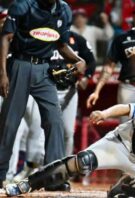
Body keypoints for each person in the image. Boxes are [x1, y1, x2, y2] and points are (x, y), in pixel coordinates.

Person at [4, 92, 135, 197]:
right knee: (82, 162)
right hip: (120, 145)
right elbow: (126, 108)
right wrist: (104, 113)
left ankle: (123, 189)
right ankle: (26, 184)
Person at [0, 0, 86, 189]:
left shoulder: (64, 10)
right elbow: (5, 37)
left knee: (55, 121)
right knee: (9, 123)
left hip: (45, 69)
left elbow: (62, 46)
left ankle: (53, 178)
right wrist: (3, 73)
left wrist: (79, 60)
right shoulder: (22, 5)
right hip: (19, 65)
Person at [8, 31, 96, 182]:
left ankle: (63, 172)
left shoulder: (77, 39)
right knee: (37, 130)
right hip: (46, 88)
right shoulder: (44, 36)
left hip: (69, 90)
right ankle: (31, 167)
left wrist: (86, 77)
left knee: (68, 132)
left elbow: (90, 60)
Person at [87, 1, 135, 122]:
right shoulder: (122, 39)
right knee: (125, 128)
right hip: (127, 88)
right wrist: (97, 91)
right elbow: (108, 67)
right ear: (133, 17)